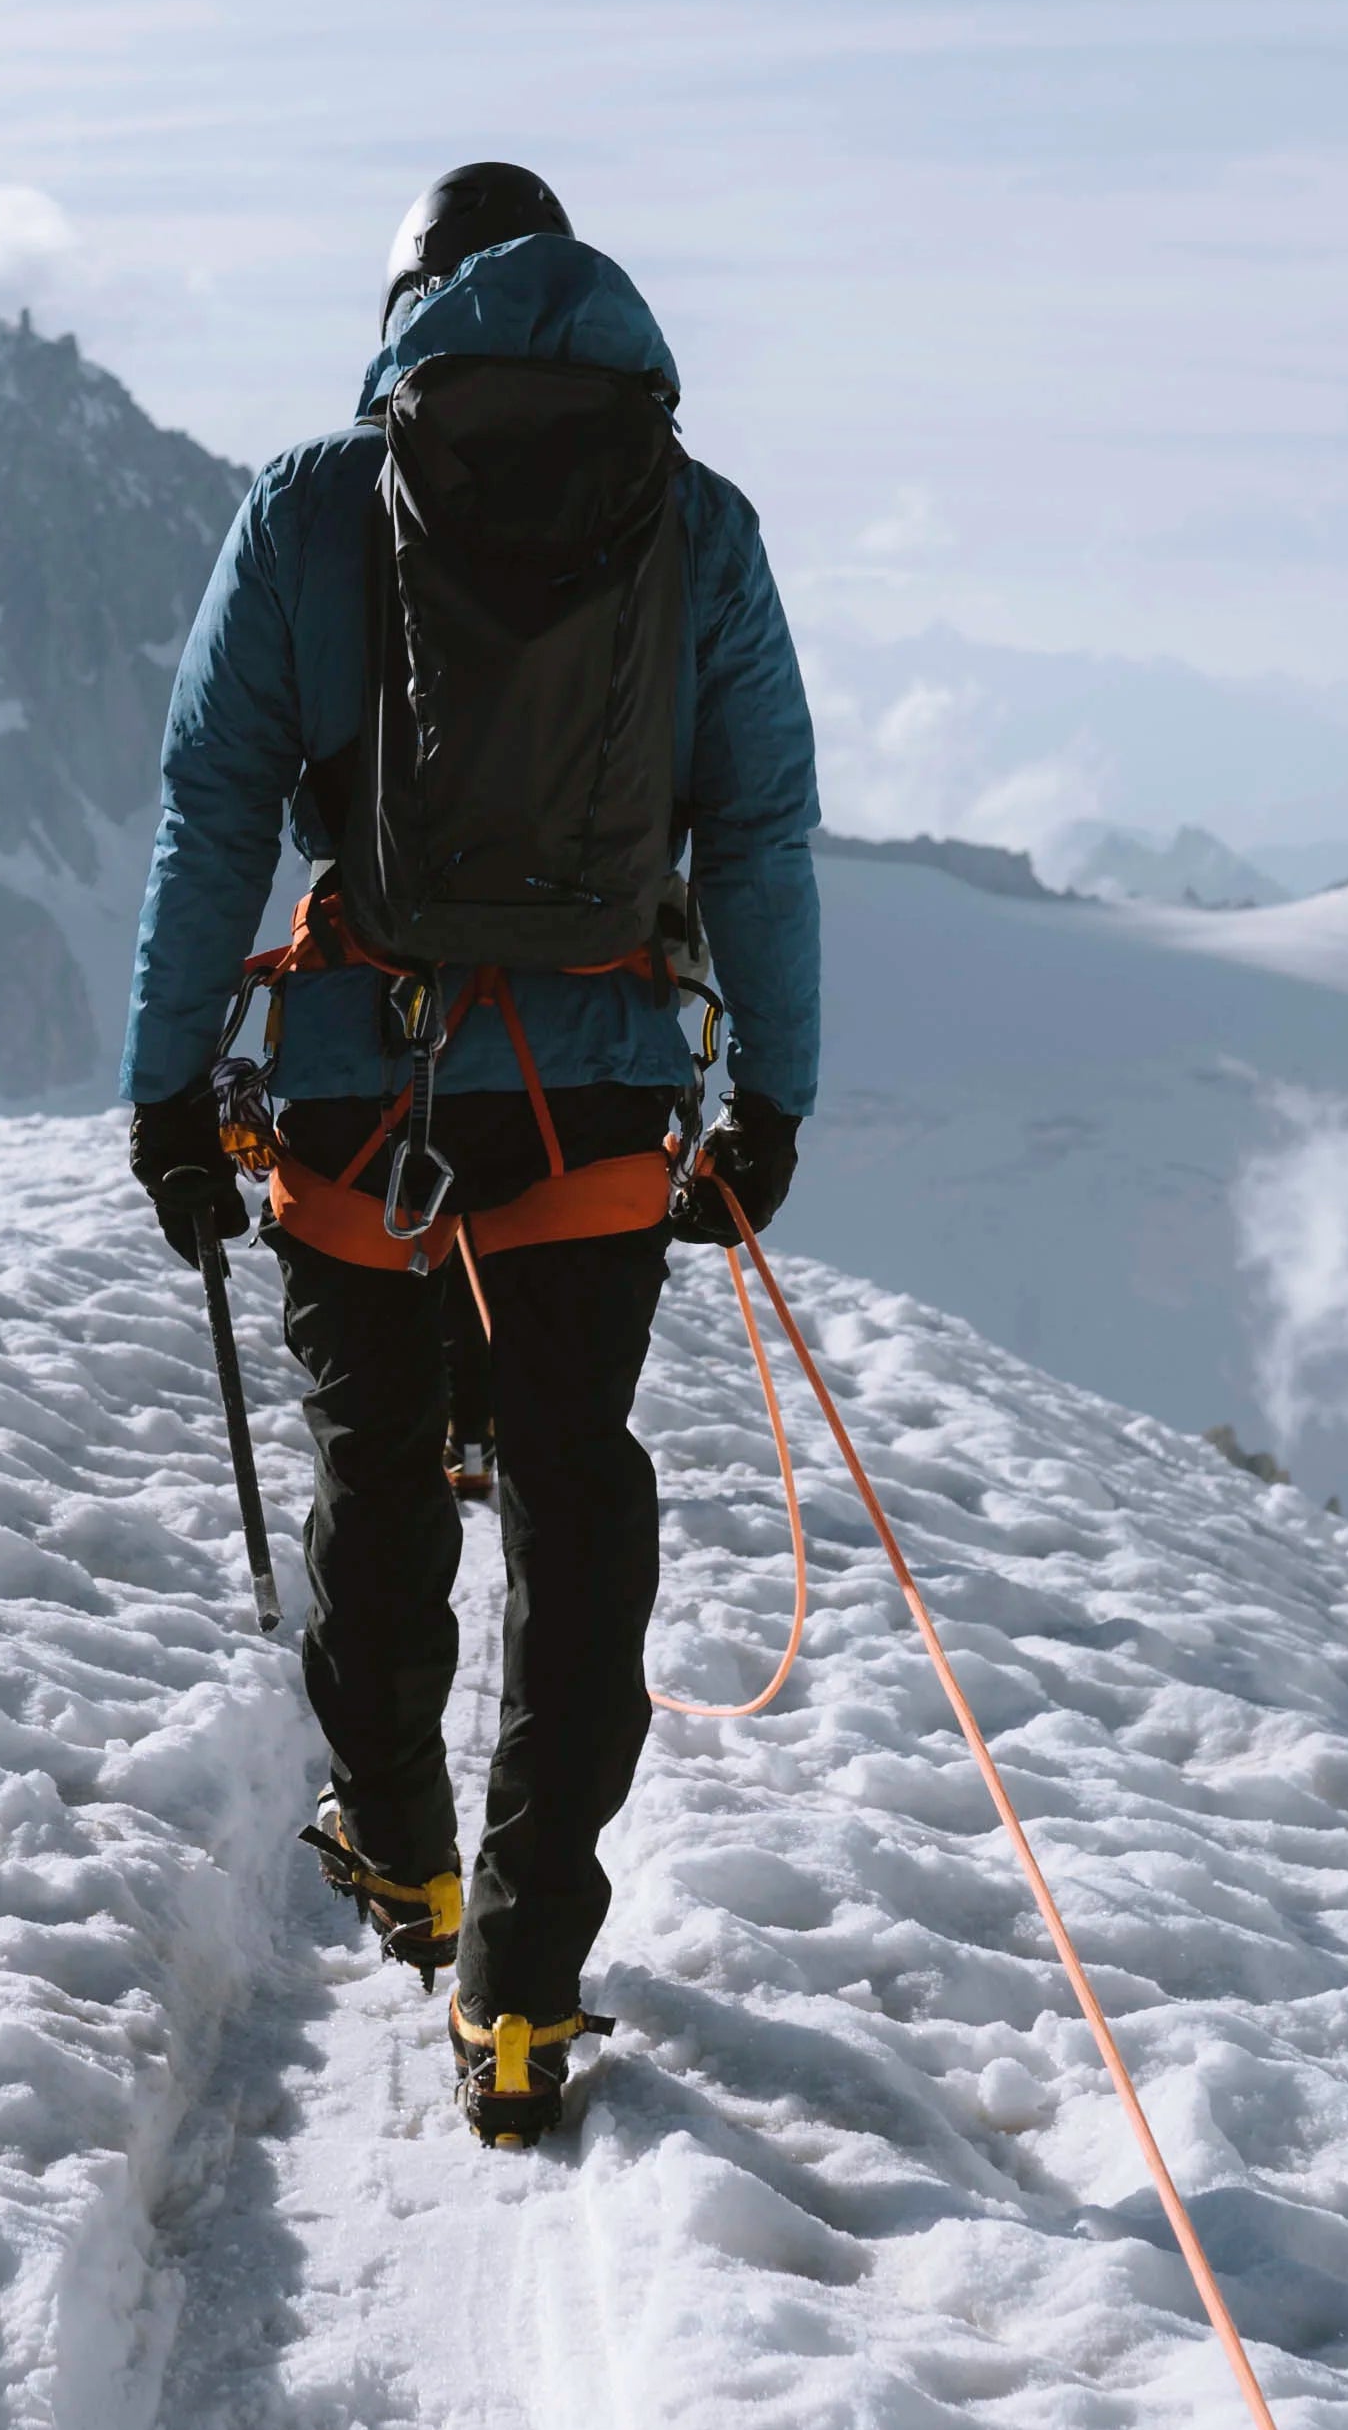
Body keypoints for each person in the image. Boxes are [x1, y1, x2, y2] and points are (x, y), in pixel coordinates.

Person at [118, 161, 821, 2145]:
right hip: (593, 1096)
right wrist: (771, 1100)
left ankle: (406, 1850)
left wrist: (167, 1091)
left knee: (376, 1470)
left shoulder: (313, 508)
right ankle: (523, 1982)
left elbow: (211, 809)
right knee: (573, 1489)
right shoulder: (698, 520)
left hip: (363, 1084)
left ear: (407, 312)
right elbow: (759, 828)